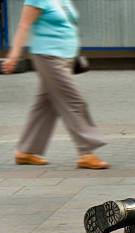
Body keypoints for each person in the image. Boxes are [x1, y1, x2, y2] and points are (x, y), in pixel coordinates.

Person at [2, 0, 109, 169]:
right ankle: (86, 151)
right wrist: (14, 56)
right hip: (48, 57)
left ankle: (26, 151)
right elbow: (24, 25)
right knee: (74, 101)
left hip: (64, 58)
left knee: (45, 105)